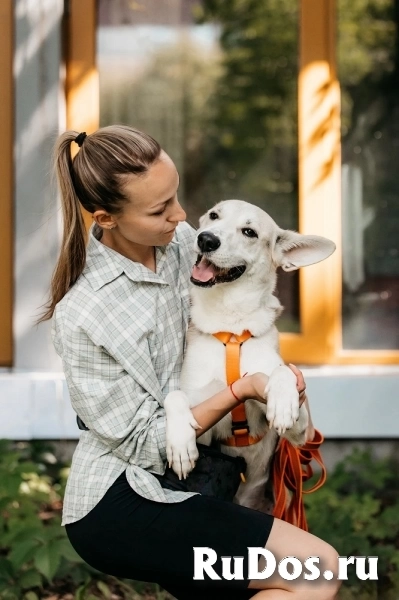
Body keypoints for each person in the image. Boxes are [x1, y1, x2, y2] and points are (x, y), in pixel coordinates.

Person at [41, 124, 341, 600]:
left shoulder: (184, 243)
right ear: (107, 218)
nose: (184, 218)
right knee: (317, 569)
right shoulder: (85, 311)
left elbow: (244, 310)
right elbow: (141, 443)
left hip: (209, 474)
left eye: (178, 197)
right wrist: (241, 390)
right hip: (123, 497)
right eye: (161, 209)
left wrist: (278, 383)